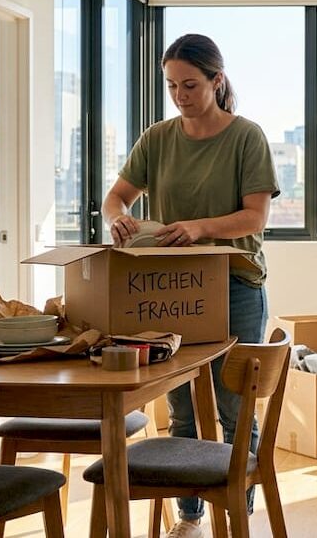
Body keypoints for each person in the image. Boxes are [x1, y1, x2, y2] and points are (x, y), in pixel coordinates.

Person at [103, 33, 279, 538]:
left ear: (216, 81)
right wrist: (118, 218)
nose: (180, 95)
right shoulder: (157, 138)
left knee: (233, 407)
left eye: (191, 84)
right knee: (179, 406)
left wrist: (199, 227)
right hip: (173, 286)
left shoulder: (246, 136)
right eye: (171, 85)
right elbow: (116, 197)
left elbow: (255, 216)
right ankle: (189, 517)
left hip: (236, 285)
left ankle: (236, 512)